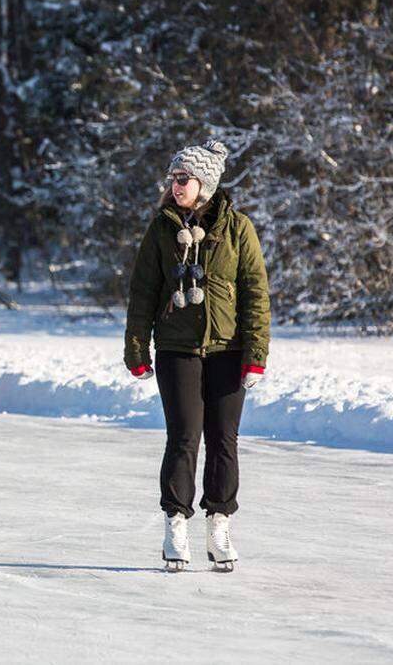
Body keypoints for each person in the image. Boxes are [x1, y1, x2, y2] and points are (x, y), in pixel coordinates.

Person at [123, 140, 271, 573]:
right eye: (172, 179)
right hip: (177, 349)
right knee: (184, 436)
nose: (175, 186)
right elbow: (143, 292)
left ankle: (220, 522)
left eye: (182, 179)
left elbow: (255, 294)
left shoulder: (238, 228)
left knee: (224, 440)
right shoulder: (161, 229)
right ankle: (175, 523)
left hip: (229, 350)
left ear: (205, 184)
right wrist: (136, 347)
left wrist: (256, 354)